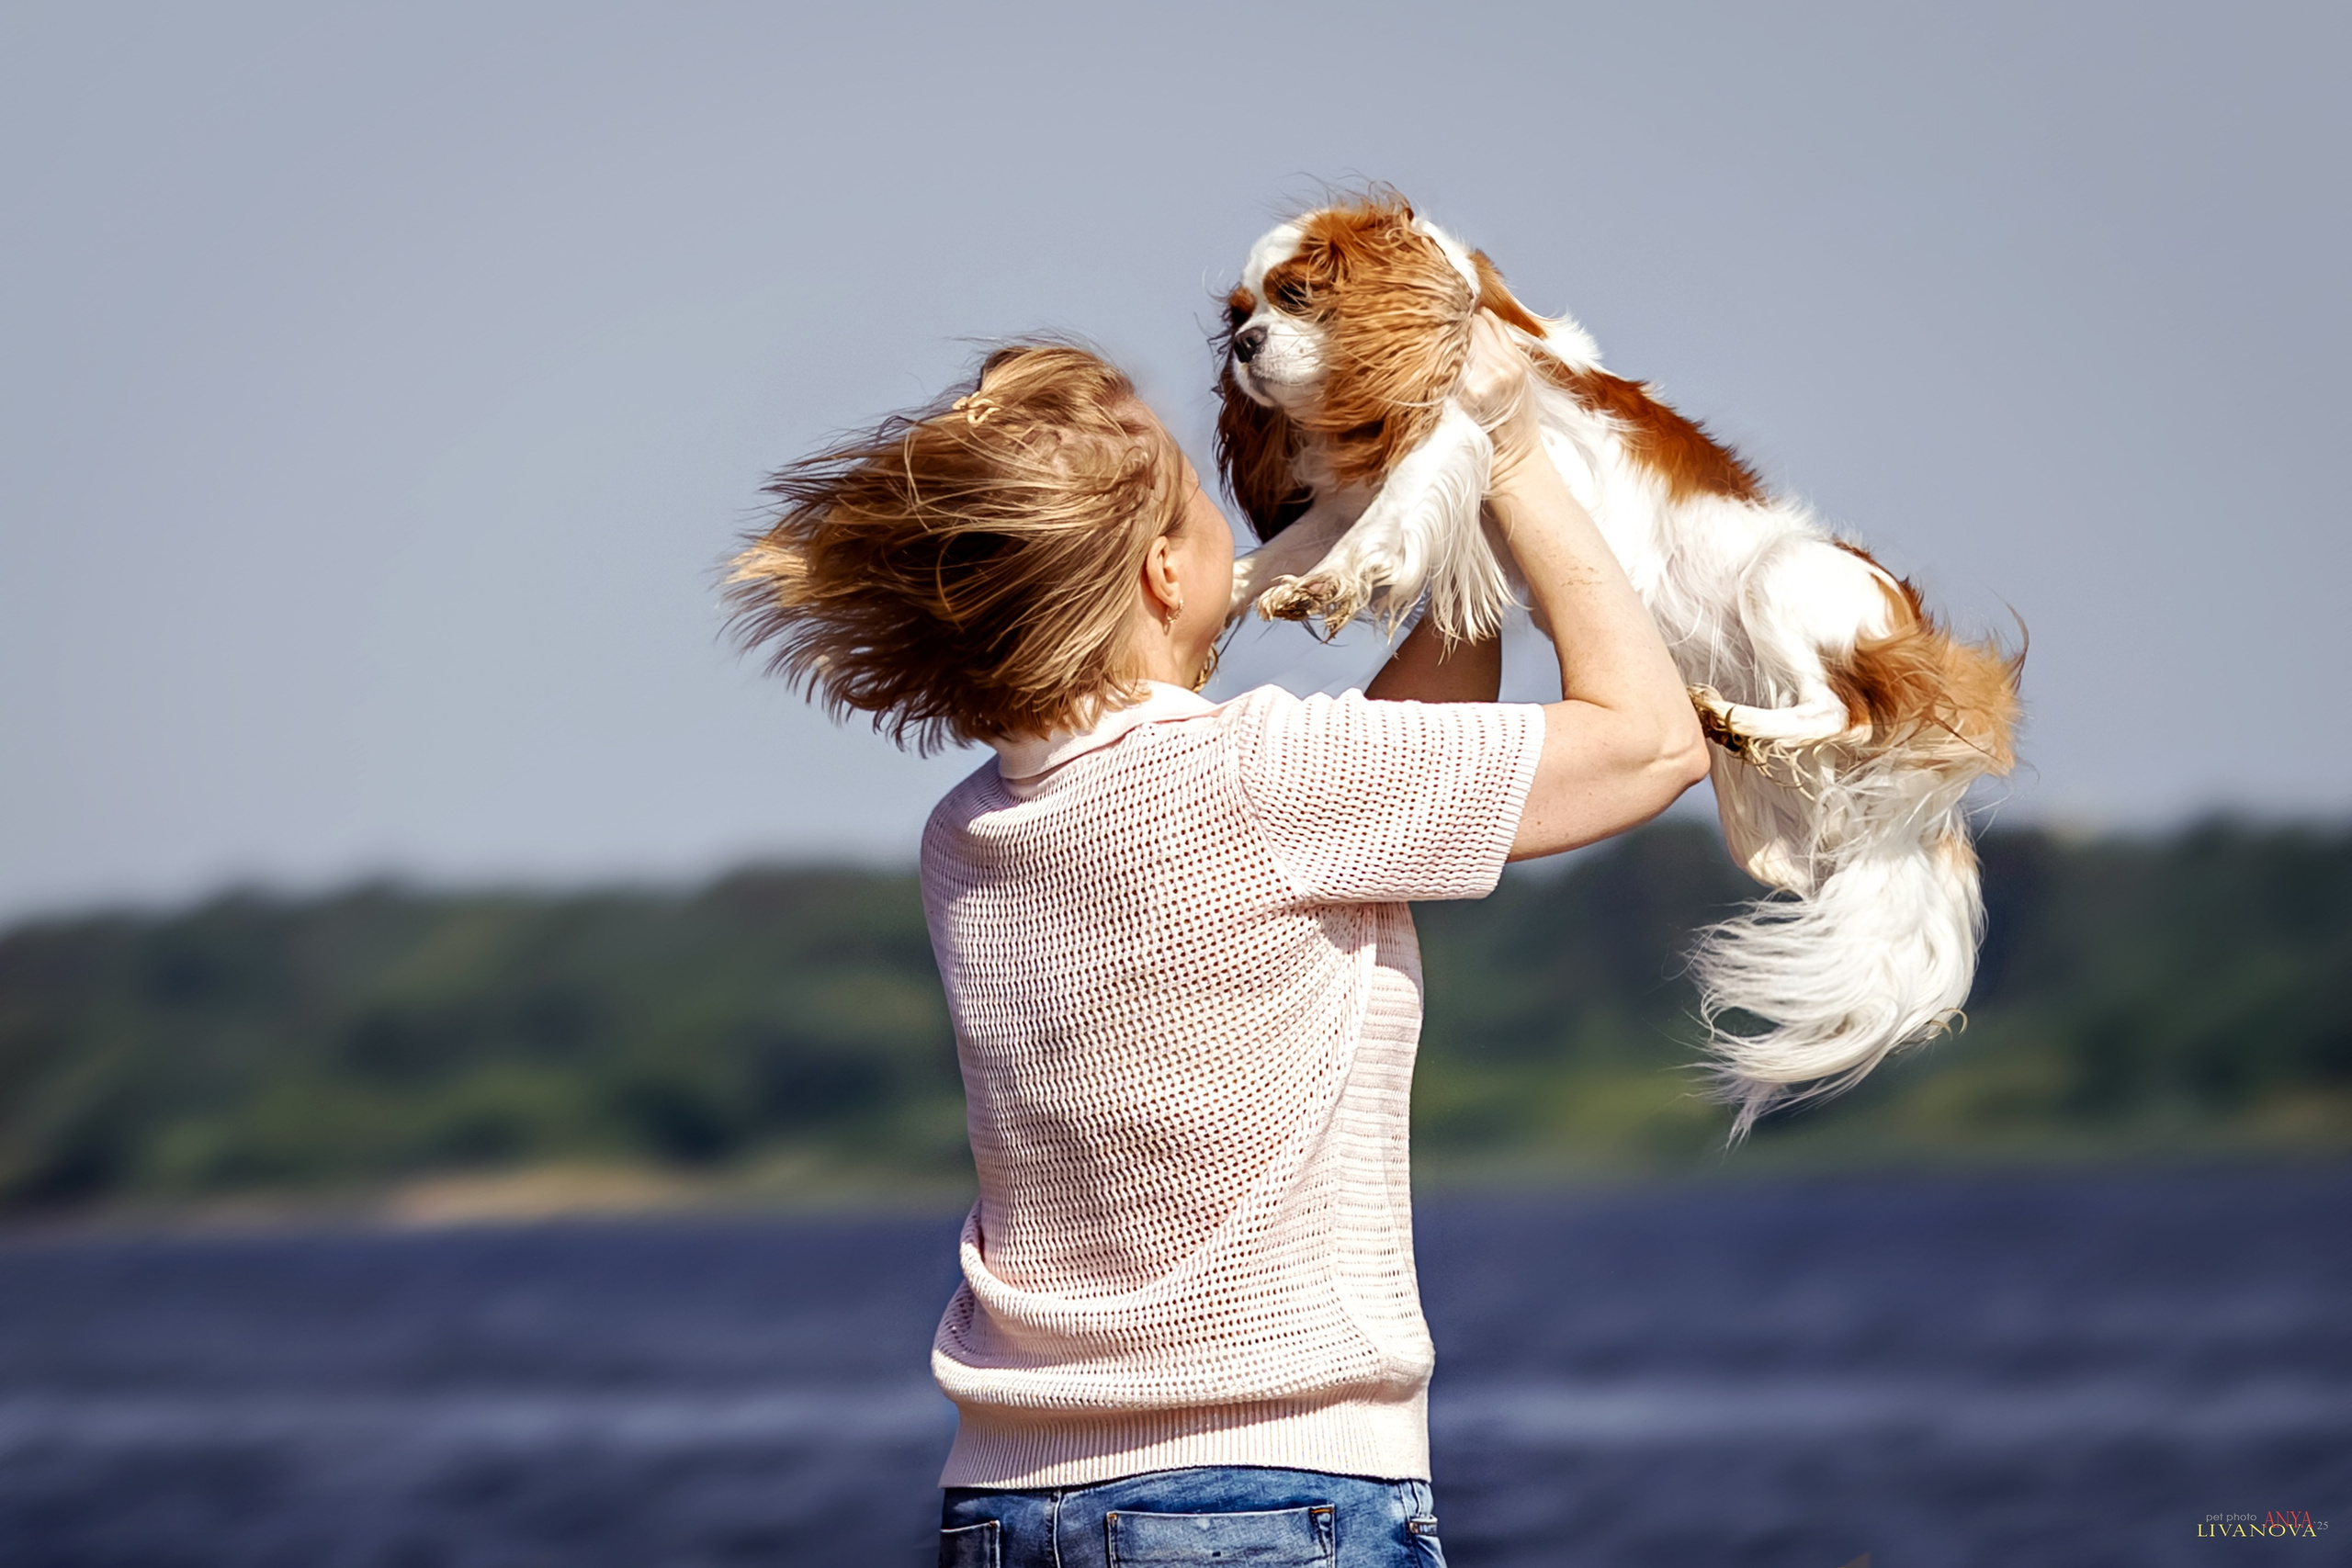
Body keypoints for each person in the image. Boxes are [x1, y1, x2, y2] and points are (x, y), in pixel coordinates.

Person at [729, 326, 1708, 1568]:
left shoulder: (970, 830)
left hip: (1009, 1509)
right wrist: (1513, 455)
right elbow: (1648, 747)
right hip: (1263, 1492)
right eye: (1205, 515)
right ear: (1158, 577)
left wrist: (1451, 521)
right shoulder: (1260, 777)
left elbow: (1386, 785)